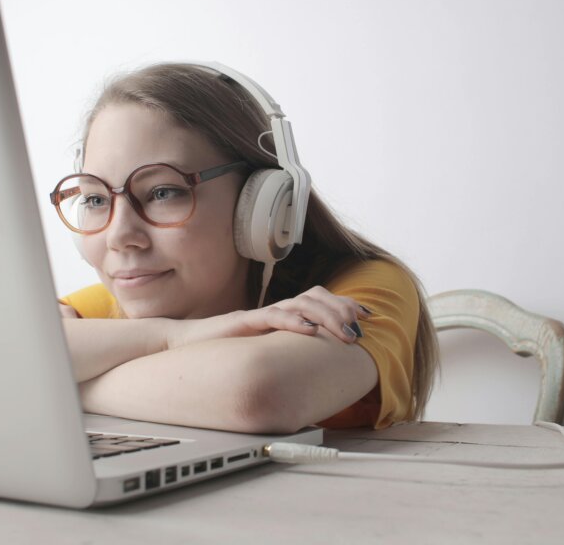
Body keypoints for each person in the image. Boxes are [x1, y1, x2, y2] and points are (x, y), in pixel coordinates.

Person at [52, 62, 438, 434]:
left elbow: (257, 393)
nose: (120, 236)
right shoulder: (102, 307)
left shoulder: (357, 291)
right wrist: (176, 336)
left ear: (262, 206)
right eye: (96, 199)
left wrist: (63, 383)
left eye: (163, 192)